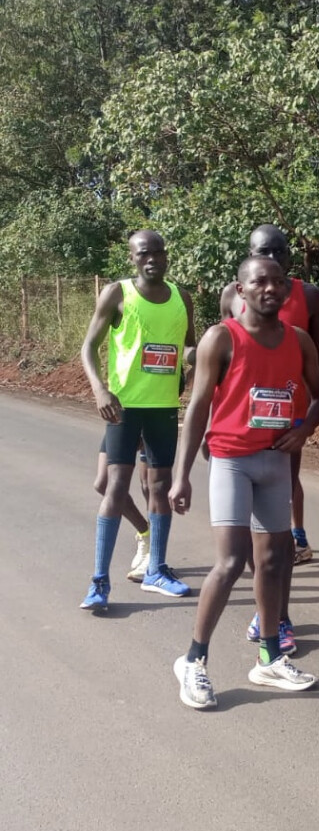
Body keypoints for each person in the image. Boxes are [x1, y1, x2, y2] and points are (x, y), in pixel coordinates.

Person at [169, 255, 319, 709]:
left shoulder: (298, 340)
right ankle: (193, 661)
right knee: (231, 562)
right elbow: (198, 407)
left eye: (278, 282)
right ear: (241, 290)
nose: (270, 289)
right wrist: (181, 476)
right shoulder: (221, 338)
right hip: (232, 461)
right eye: (259, 282)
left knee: (274, 561)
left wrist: (305, 430)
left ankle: (270, 658)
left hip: (274, 462)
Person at [80, 230, 196, 611]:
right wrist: (100, 389)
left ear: (166, 255)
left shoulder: (182, 297)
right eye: (144, 253)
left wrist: (197, 359)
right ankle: (99, 582)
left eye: (158, 252)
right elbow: (89, 347)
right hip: (124, 407)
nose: (152, 259)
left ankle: (156, 570)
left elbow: (189, 344)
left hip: (163, 408)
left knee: (159, 488)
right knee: (114, 486)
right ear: (132, 258)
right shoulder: (117, 293)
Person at [221, 225, 319, 567]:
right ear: (250, 255)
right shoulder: (231, 295)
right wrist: (214, 423)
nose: (273, 258)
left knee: (284, 482)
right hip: (240, 420)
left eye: (280, 251)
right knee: (243, 489)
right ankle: (255, 552)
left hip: (290, 417)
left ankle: (291, 539)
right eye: (264, 252)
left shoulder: (309, 296)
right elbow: (222, 365)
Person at [93, 438, 152, 583]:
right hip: (120, 425)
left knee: (149, 486)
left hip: (151, 424)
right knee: (103, 484)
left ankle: (154, 555)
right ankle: (146, 534)